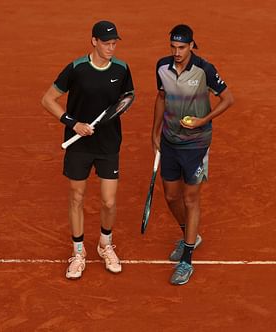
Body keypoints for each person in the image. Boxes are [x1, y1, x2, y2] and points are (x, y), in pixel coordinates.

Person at [41, 20, 134, 280]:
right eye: (106, 43)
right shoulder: (77, 69)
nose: (111, 48)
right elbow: (47, 99)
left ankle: (105, 244)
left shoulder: (122, 69)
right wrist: (74, 124)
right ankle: (78, 252)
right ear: (94, 41)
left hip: (108, 144)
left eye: (114, 43)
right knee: (77, 197)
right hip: (79, 145)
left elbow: (128, 98)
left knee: (109, 200)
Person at [151, 24, 234, 285]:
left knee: (190, 199)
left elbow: (228, 99)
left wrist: (203, 121)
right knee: (170, 196)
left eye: (182, 47)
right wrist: (154, 131)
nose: (177, 52)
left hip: (196, 143)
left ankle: (187, 259)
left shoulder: (204, 70)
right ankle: (191, 234)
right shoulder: (161, 67)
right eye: (173, 47)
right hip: (169, 140)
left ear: (191, 46)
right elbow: (161, 97)